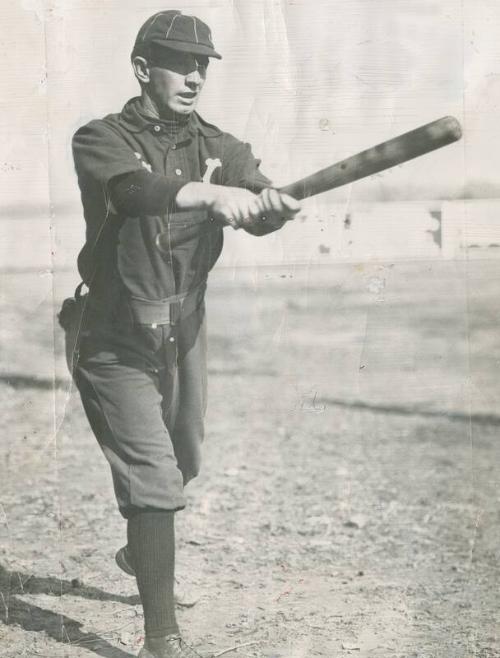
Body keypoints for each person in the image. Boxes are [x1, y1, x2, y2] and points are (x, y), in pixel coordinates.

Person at [68, 9, 301, 658]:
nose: (196, 75)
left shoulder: (221, 147)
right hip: (112, 336)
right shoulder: (100, 138)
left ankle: (142, 546)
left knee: (183, 462)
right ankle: (161, 639)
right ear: (144, 69)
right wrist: (206, 196)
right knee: (154, 479)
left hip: (183, 332)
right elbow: (137, 191)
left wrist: (271, 206)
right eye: (180, 62)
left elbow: (253, 198)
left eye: (204, 64)